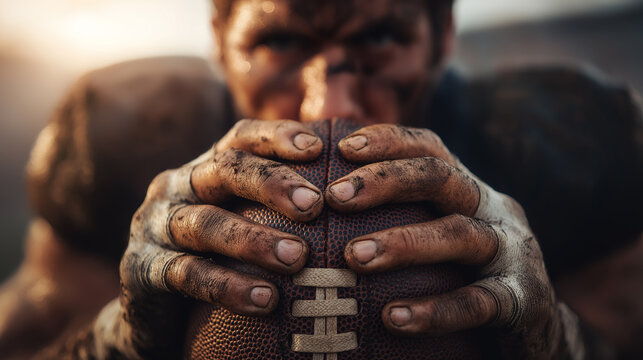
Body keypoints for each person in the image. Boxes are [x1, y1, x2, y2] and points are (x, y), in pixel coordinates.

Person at [1, 0, 642, 358]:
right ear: (221, 41)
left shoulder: (572, 145)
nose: (327, 108)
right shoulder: (111, 141)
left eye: (384, 37)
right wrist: (119, 339)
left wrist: (558, 337)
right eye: (278, 42)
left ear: (443, 35)